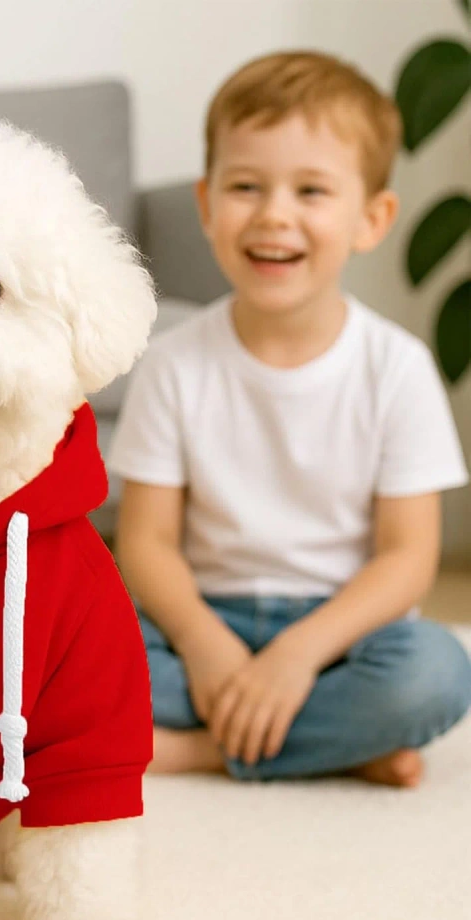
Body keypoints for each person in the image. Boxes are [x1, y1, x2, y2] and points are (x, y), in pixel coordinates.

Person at [108, 51, 471, 787]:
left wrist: (298, 656)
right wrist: (204, 644)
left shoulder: (397, 368)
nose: (274, 214)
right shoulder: (171, 363)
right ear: (207, 205)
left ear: (371, 219)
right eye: (246, 186)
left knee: (434, 674)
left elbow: (407, 559)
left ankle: (199, 750)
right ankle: (335, 745)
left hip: (342, 635)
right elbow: (146, 543)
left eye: (311, 191)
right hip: (200, 622)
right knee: (64, 655)